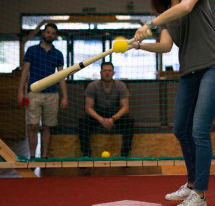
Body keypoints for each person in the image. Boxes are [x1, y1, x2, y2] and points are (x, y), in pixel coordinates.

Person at [132, 0, 215, 206]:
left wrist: (149, 24)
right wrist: (139, 45)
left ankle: (201, 193)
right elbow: (166, 46)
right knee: (180, 129)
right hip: (190, 72)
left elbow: (186, 8)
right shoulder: (165, 13)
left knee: (199, 129)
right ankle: (190, 185)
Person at [17, 23, 68, 159]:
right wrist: (21, 92)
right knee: (32, 125)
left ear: (55, 36)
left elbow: (61, 76)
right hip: (33, 94)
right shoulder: (31, 50)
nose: (50, 35)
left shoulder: (58, 54)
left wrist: (65, 97)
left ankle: (44, 156)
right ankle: (33, 155)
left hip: (52, 94)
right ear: (43, 33)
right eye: (48, 32)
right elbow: (25, 72)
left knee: (47, 126)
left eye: (53, 33)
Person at [78, 62, 135, 158]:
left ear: (113, 73)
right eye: (105, 71)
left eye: (109, 71)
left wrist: (113, 119)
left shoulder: (121, 86)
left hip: (115, 114)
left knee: (129, 122)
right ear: (100, 72)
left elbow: (125, 107)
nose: (107, 73)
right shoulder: (92, 86)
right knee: (83, 122)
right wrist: (101, 120)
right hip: (98, 114)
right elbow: (88, 108)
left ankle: (124, 155)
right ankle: (86, 155)